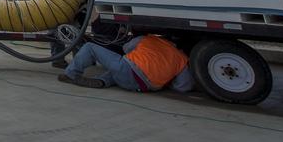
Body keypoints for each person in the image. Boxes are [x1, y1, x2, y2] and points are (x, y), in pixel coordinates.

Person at [59, 35, 194, 93]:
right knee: (119, 68)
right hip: (145, 87)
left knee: (90, 47)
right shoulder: (181, 59)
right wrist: (166, 80)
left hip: (128, 71)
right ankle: (102, 81)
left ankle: (70, 74)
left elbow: (126, 48)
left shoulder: (150, 39)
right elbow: (183, 87)